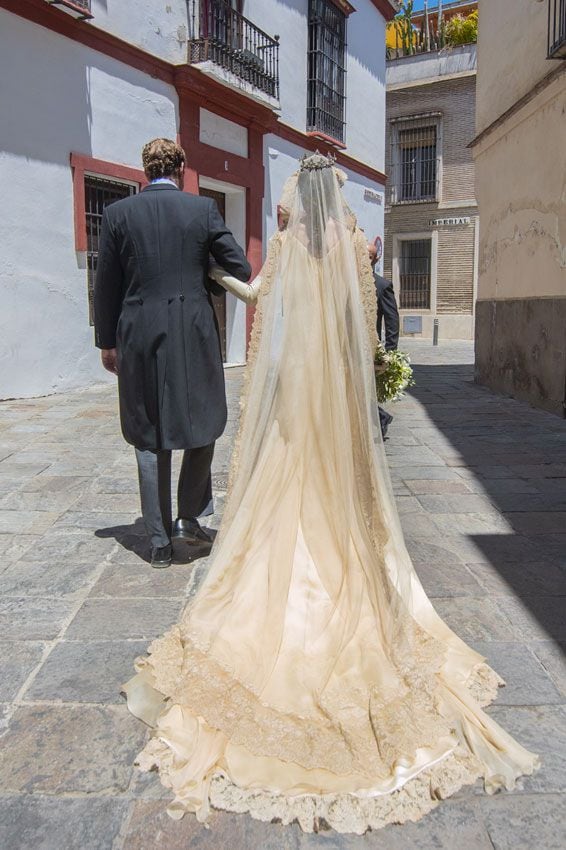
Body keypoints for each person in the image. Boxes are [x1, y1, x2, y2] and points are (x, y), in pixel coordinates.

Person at [123, 153, 538, 834]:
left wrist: (218, 275)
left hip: (294, 401)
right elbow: (363, 315)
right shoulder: (353, 245)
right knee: (342, 502)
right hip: (337, 405)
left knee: (280, 496)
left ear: (293, 198)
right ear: (336, 197)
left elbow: (260, 301)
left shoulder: (284, 246)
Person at [94, 138, 251, 568]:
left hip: (137, 334)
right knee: (205, 422)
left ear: (146, 170)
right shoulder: (202, 211)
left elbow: (105, 284)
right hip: (193, 332)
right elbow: (241, 267)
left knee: (148, 433)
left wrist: (107, 342)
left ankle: (159, 541)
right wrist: (203, 270)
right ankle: (189, 518)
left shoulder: (116, 213)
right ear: (181, 167)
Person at [368, 242, 400, 438]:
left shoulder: (382, 285)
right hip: (347, 348)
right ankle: (380, 417)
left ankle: (380, 417)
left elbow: (392, 320)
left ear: (375, 260)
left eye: (369, 256)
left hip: (371, 348)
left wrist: (389, 352)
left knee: (362, 389)